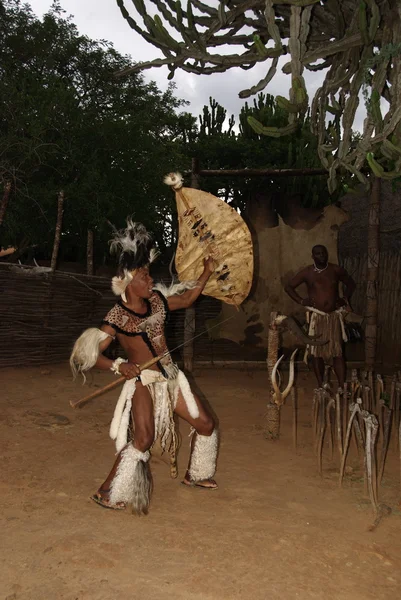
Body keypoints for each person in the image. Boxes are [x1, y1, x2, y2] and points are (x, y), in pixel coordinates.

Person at [70, 220, 218, 515]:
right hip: (143, 382)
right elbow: (90, 357)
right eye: (144, 276)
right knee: (143, 439)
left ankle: (198, 473)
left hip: (171, 378)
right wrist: (119, 366)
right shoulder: (116, 316)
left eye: (149, 275)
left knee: (206, 424)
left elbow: (188, 298)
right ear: (128, 280)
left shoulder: (159, 301)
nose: (150, 280)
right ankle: (107, 492)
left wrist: (206, 272)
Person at [284, 244, 356, 390]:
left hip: (333, 317)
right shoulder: (307, 272)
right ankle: (321, 385)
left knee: (338, 352)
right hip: (317, 317)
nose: (321, 256)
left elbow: (351, 284)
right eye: (318, 254)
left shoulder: (335, 270)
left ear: (327, 254)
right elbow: (289, 287)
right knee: (317, 353)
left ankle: (342, 385)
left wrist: (344, 298)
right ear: (313, 256)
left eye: (323, 253)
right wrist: (302, 301)